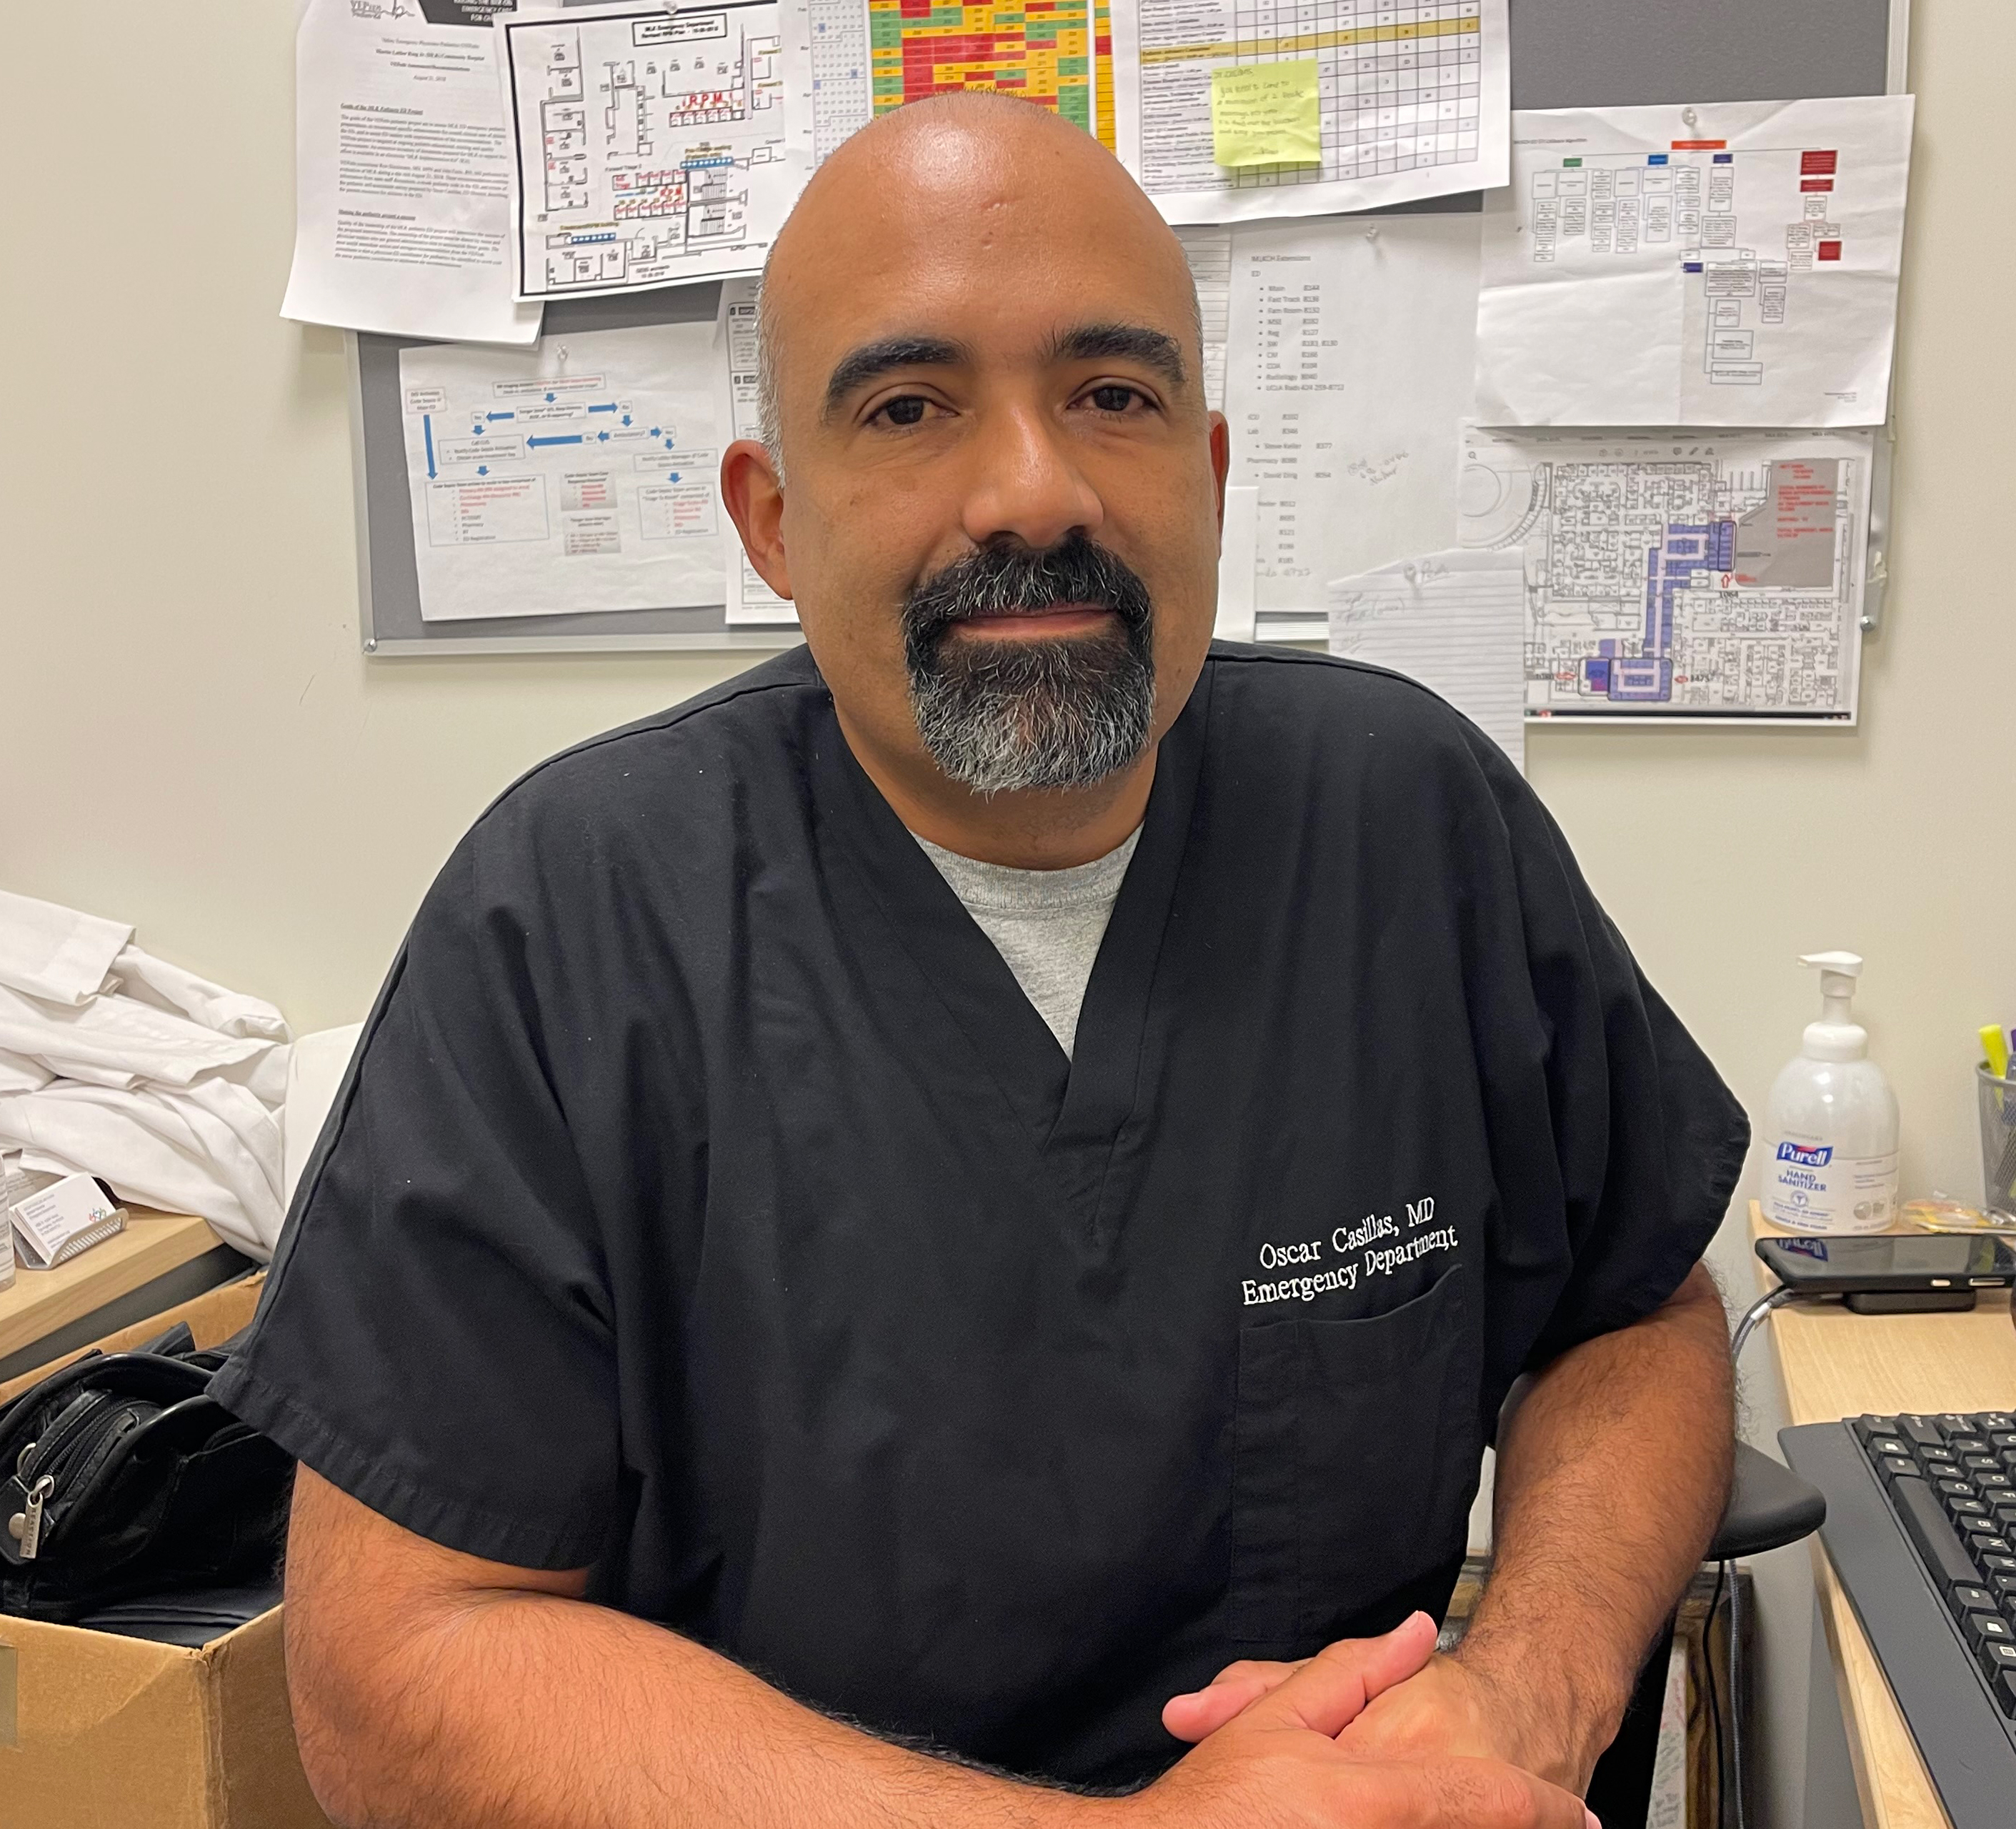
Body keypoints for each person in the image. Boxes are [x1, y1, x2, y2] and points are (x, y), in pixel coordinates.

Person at [214, 91, 1747, 1829]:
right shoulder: (573, 917)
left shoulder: (1408, 822)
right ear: (773, 518)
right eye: (910, 406)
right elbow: (392, 1667)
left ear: (1214, 473)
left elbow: (1638, 1310)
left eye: (1113, 395)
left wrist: (1528, 1690)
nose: (1030, 489)